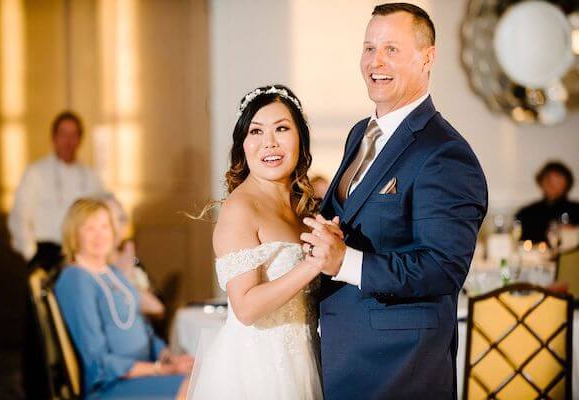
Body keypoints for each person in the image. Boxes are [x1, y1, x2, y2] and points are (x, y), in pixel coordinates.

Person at [300, 4, 488, 399]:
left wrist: (346, 262)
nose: (375, 62)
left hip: (399, 367)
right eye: (369, 48)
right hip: (342, 356)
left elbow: (443, 268)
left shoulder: (445, 154)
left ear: (427, 57)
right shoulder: (359, 134)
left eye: (391, 49)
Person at [187, 85, 323, 399]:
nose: (269, 143)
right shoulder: (240, 208)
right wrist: (313, 264)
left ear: (300, 138)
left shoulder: (303, 209)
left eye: (282, 129)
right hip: (257, 369)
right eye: (256, 131)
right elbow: (246, 307)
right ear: (243, 145)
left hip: (303, 360)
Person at [55, 198, 193, 399]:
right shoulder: (76, 279)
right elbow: (98, 361)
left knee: (206, 375)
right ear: (74, 234)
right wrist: (159, 369)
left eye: (105, 226)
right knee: (196, 386)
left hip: (145, 374)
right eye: (89, 228)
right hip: (112, 385)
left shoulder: (113, 273)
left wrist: (168, 357)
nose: (99, 235)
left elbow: (144, 329)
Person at [8, 111, 105, 270]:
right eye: (63, 134)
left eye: (73, 135)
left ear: (80, 139)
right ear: (53, 138)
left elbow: (105, 209)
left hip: (82, 256)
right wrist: (31, 254)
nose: (68, 141)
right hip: (45, 255)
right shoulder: (36, 172)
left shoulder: (91, 176)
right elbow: (19, 216)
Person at [103, 193, 166, 317]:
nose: (117, 227)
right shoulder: (95, 267)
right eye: (108, 220)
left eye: (121, 219)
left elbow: (159, 310)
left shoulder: (129, 258)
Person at [516, 161, 579, 243]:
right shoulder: (526, 213)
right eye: (548, 179)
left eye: (557, 180)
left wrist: (574, 231)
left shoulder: (576, 210)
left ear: (566, 183)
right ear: (541, 182)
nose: (552, 184)